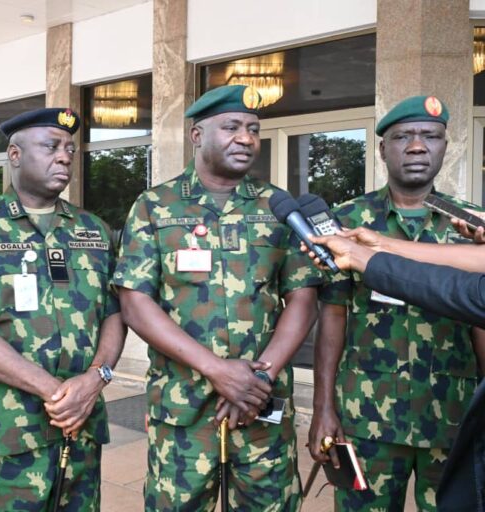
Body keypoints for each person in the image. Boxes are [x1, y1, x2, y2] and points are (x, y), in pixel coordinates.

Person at [113, 84, 322, 511]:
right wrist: (217, 370)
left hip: (262, 407)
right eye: (231, 127)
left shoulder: (277, 206)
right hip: (184, 410)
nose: (245, 138)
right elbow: (135, 301)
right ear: (197, 135)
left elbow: (302, 298)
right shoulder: (155, 206)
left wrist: (259, 378)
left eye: (252, 129)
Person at [0, 107, 126, 511]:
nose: (64, 157)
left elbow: (114, 312)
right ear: (15, 154)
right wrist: (57, 393)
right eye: (51, 146)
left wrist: (96, 378)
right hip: (12, 432)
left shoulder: (93, 230)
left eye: (70, 149)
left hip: (82, 426)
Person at [309, 95, 485, 511]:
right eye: (403, 136)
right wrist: (323, 408)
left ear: (446, 146)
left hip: (451, 415)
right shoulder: (347, 223)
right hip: (368, 414)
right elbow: (333, 314)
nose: (418, 146)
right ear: (382, 148)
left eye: (430, 136)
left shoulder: (472, 225)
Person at [304, 227, 485, 512]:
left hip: (450, 417)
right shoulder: (352, 218)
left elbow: (465, 292)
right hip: (370, 420)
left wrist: (366, 257)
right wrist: (382, 246)